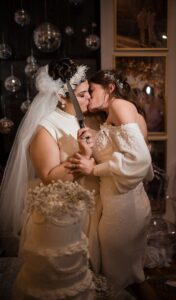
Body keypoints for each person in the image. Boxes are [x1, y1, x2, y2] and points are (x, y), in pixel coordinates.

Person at [0, 58, 101, 299]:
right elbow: (48, 178)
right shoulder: (46, 128)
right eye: (83, 94)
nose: (89, 98)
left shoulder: (84, 119)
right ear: (62, 97)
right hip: (61, 215)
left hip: (88, 204)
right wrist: (83, 155)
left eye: (88, 93)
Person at [69, 70, 159, 300]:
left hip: (123, 210)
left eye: (92, 90)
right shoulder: (117, 112)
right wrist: (92, 141)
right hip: (123, 204)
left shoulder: (120, 105)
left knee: (119, 280)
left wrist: (93, 169)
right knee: (131, 277)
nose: (89, 96)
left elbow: (141, 161)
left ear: (110, 88)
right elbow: (128, 154)